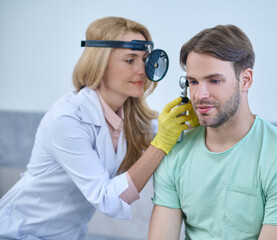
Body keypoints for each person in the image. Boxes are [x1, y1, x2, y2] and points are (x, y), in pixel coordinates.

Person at [0, 16, 198, 239]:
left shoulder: (130, 115)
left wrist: (195, 121)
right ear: (100, 64)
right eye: (130, 60)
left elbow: (174, 137)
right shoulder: (67, 119)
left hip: (69, 234)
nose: (143, 70)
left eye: (145, 60)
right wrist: (161, 143)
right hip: (20, 231)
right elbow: (108, 200)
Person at [149, 24, 277, 240]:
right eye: (193, 82)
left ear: (245, 80)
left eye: (215, 80)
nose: (200, 94)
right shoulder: (176, 154)